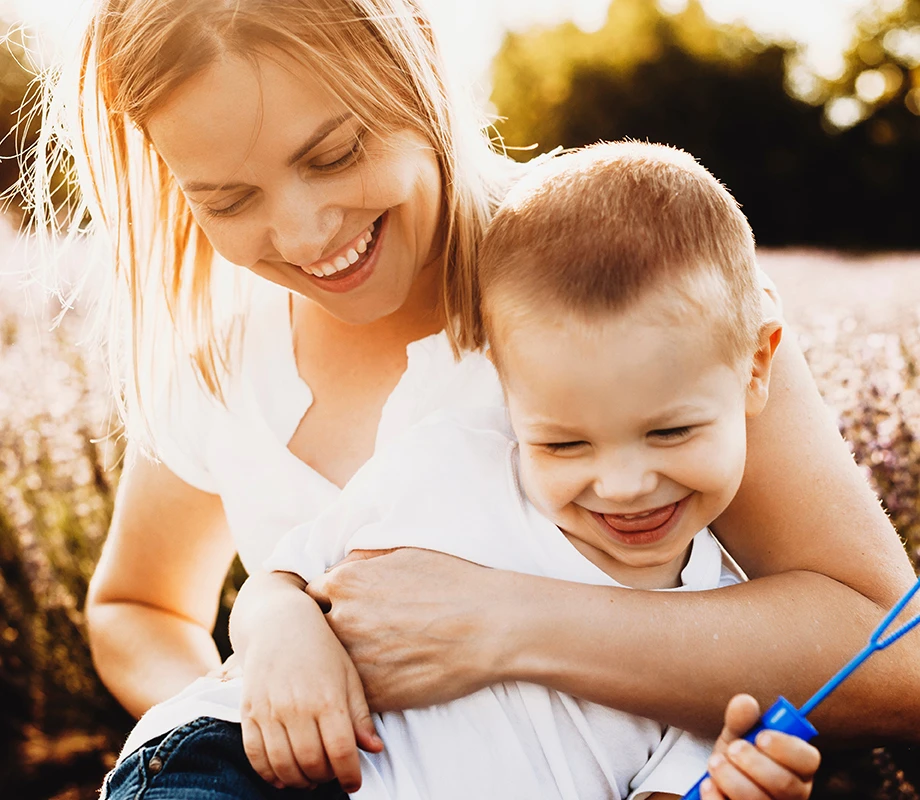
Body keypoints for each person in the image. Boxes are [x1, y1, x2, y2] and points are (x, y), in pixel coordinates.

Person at [31, 0, 918, 796]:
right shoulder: (221, 365)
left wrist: (505, 626)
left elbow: (892, 653)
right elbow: (137, 608)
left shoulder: (629, 282)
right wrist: (273, 698)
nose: (303, 234)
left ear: (413, 60)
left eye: (335, 154)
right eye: (226, 200)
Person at [107, 141, 822, 800]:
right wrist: (283, 635)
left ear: (757, 367)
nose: (624, 482)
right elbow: (282, 578)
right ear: (505, 393)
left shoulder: (723, 632)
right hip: (232, 767)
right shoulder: (452, 463)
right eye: (564, 446)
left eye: (671, 432)